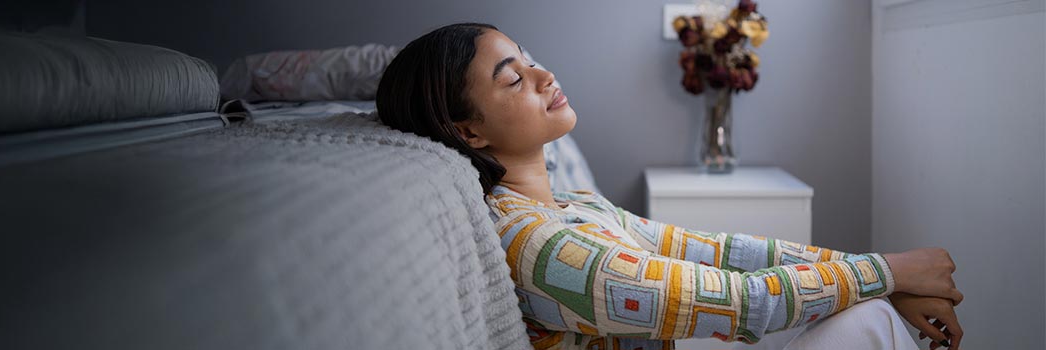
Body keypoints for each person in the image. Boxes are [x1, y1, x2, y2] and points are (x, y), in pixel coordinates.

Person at [375, 23, 965, 350]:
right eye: (514, 80)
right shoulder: (537, 245)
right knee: (865, 324)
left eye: (528, 59)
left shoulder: (573, 205)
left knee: (862, 313)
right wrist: (888, 272)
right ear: (467, 130)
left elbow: (717, 254)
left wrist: (879, 278)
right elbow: (747, 302)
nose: (544, 75)